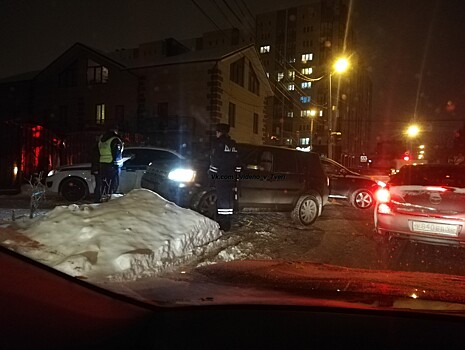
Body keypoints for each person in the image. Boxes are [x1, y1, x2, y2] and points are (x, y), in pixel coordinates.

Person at [208, 123, 241, 231]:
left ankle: (222, 223)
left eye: (217, 132)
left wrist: (211, 173)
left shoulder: (218, 144)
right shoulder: (233, 144)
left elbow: (215, 160)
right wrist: (236, 174)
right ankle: (227, 221)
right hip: (231, 176)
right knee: (228, 197)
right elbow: (238, 161)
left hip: (221, 175)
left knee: (222, 198)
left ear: (219, 132)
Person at [98, 127, 124, 201]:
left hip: (102, 164)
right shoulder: (115, 140)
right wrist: (117, 164)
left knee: (104, 184)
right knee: (113, 184)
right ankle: (111, 200)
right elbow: (116, 153)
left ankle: (103, 198)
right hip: (112, 165)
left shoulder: (102, 140)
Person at [91, 135, 102, 203]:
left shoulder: (96, 147)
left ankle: (97, 198)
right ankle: (97, 199)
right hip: (98, 168)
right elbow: (95, 159)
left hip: (97, 168)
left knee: (98, 184)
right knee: (99, 184)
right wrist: (96, 169)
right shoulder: (97, 148)